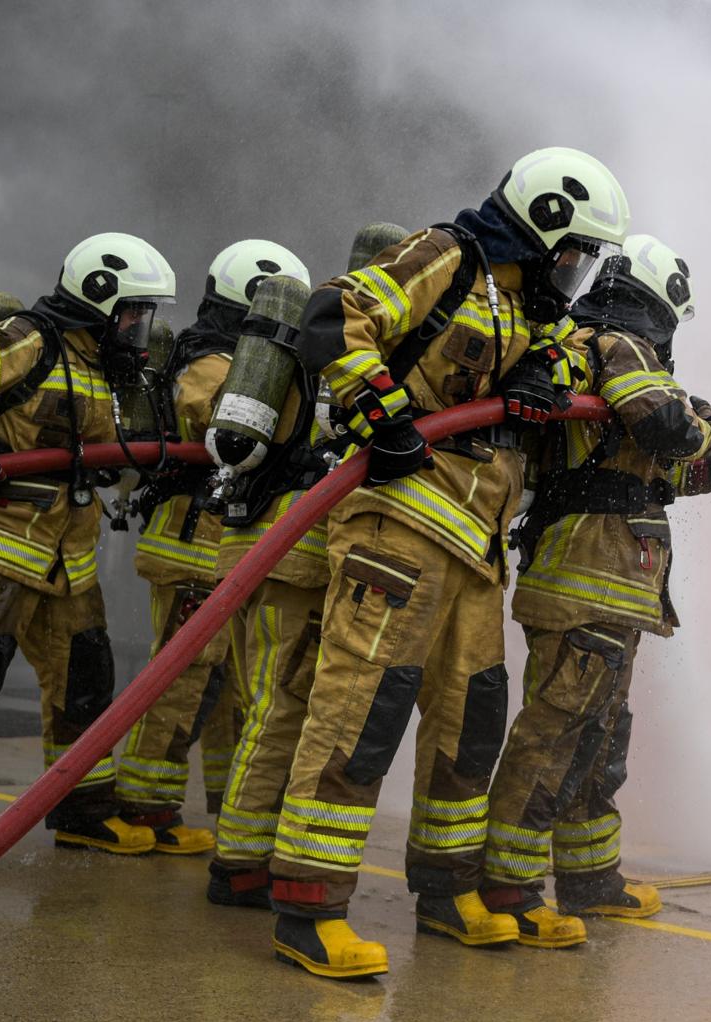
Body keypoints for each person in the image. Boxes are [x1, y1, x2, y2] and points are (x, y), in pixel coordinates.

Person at [264, 148, 630, 979]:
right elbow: (338, 314)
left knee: (472, 721)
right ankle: (309, 908)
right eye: (573, 253)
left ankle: (446, 894)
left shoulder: (531, 304)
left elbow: (574, 357)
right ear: (540, 228)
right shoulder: (448, 257)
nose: (576, 273)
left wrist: (544, 366)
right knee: (361, 712)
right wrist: (378, 405)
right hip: (397, 527)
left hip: (475, 548)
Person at [482, 235, 711, 923]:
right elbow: (670, 429)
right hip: (585, 575)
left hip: (612, 580)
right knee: (555, 734)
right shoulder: (617, 345)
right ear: (662, 299)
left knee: (599, 735)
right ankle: (511, 887)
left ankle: (590, 881)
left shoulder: (605, 358)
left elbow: (662, 471)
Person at [0, 233, 176, 865]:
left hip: (65, 562)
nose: (139, 325)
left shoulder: (101, 365)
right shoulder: (33, 340)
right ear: (98, 297)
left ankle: (82, 810)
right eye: (133, 311)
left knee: (85, 680)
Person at [207, 223, 411, 908]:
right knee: (280, 706)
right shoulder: (341, 343)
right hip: (291, 551)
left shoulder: (300, 333)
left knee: (274, 704)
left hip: (275, 546)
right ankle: (238, 862)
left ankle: (247, 850)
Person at [117, 240, 310, 854]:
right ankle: (146, 805)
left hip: (222, 543)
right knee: (178, 681)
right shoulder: (208, 363)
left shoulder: (233, 357)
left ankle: (233, 807)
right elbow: (219, 419)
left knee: (227, 685)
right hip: (191, 543)